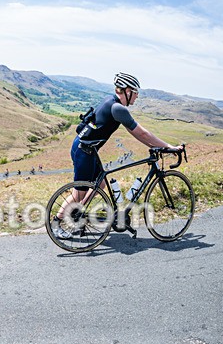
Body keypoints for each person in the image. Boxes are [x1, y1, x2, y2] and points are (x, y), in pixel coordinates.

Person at [51, 73, 180, 239]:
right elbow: (142, 133)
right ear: (127, 91)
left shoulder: (111, 101)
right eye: (135, 91)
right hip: (85, 151)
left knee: (101, 184)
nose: (137, 95)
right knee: (79, 193)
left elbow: (138, 134)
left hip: (84, 147)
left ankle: (79, 215)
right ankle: (57, 222)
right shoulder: (118, 108)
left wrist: (156, 145)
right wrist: (167, 147)